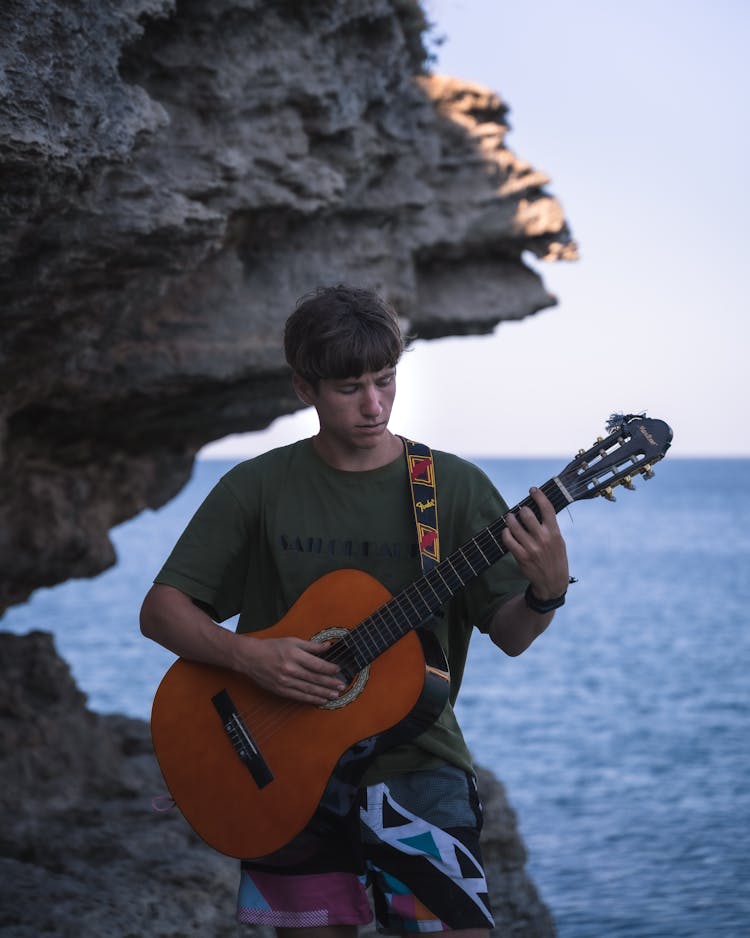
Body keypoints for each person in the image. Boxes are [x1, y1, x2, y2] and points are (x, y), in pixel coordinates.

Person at [140, 284, 570, 938]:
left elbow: (510, 636)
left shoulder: (449, 489)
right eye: (349, 388)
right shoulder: (258, 488)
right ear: (303, 388)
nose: (374, 405)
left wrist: (546, 592)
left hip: (419, 767)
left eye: (385, 381)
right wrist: (249, 655)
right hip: (276, 768)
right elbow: (162, 611)